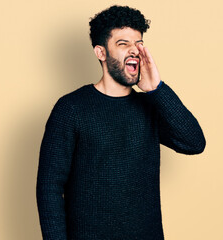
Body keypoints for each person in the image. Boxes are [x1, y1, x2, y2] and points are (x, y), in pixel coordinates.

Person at [36, 5, 206, 240]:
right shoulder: (71, 109)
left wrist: (156, 89)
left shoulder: (150, 105)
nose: (135, 51)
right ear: (101, 52)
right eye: (123, 44)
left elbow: (194, 142)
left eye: (139, 43)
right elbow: (49, 189)